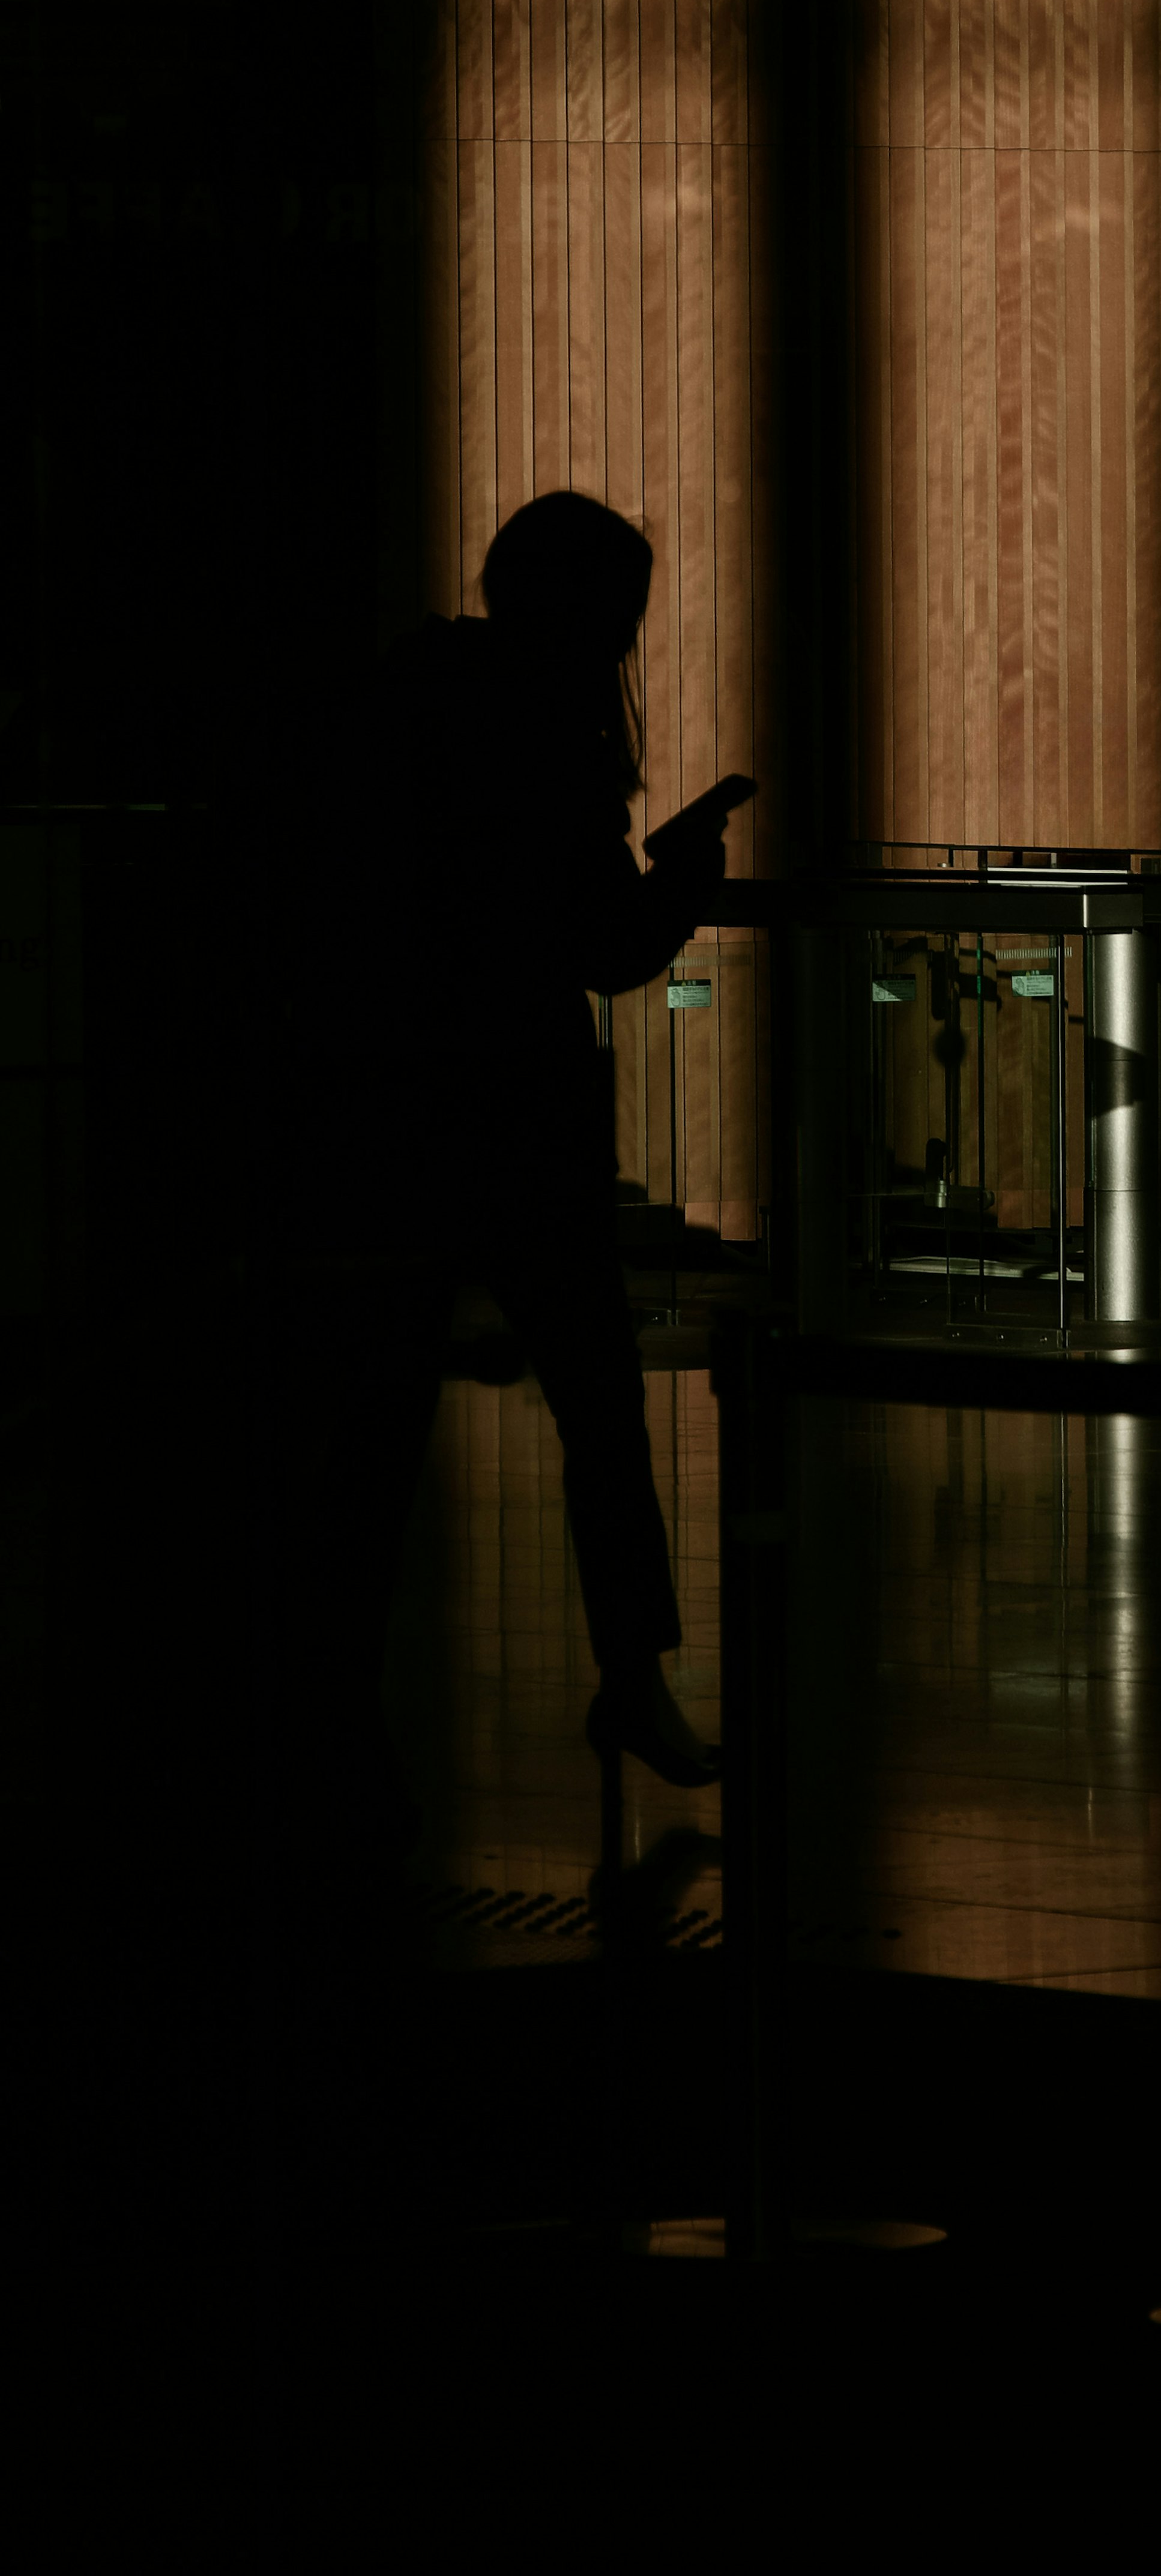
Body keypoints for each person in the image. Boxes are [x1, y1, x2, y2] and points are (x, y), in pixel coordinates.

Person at [291, 491, 734, 1812]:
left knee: (373, 1419)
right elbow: (601, 949)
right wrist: (686, 883)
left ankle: (334, 1692)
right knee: (599, 1412)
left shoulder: (405, 706)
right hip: (526, 1123)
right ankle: (632, 1676)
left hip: (397, 1117)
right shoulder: (553, 731)